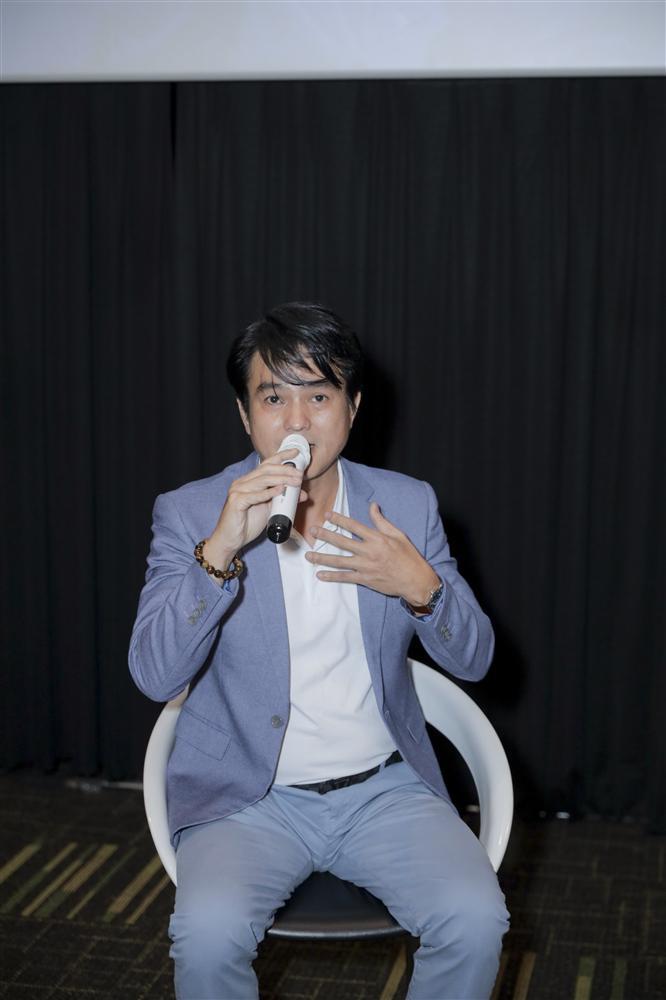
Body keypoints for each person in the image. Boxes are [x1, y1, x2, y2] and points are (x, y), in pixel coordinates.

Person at [129, 302, 509, 1000]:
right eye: (274, 398)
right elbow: (154, 675)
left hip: (384, 789)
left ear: (353, 407)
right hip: (246, 799)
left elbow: (476, 660)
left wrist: (422, 589)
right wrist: (220, 550)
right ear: (245, 415)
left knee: (475, 920)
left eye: (319, 396)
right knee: (207, 937)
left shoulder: (406, 506)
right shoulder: (191, 512)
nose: (297, 422)